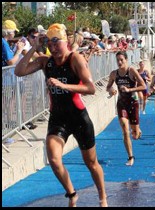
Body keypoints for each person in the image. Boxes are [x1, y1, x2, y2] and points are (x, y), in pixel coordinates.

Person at [14, 23, 108, 207]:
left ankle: (102, 197)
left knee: (91, 162)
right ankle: (72, 193)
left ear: (66, 42)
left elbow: (90, 88)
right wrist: (34, 46)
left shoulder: (75, 59)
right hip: (58, 118)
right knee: (54, 159)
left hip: (79, 117)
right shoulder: (45, 62)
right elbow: (19, 71)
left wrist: (64, 86)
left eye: (57, 42)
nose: (53, 48)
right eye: (49, 43)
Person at [106, 51, 146, 166]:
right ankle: (130, 157)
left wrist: (130, 90)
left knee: (135, 135)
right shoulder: (114, 74)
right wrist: (111, 90)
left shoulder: (132, 71)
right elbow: (108, 86)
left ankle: (138, 131)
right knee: (125, 130)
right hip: (122, 104)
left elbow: (143, 86)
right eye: (117, 60)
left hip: (133, 103)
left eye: (121, 60)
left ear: (126, 60)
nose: (119, 62)